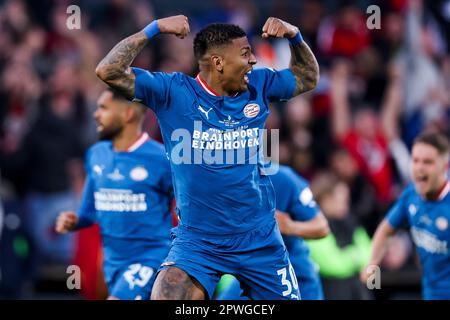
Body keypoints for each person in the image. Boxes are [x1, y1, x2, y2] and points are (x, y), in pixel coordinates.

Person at [95, 15, 319, 300]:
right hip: (198, 241)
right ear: (218, 62)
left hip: (258, 238)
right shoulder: (173, 92)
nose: (253, 61)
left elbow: (307, 77)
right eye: (245, 53)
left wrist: (295, 36)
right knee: (168, 293)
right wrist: (154, 29)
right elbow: (109, 71)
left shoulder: (259, 86)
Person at [55, 89, 174, 300]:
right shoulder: (96, 154)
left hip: (149, 257)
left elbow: (187, 206)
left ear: (127, 114)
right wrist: (75, 221)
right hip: (112, 262)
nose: (96, 114)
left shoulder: (161, 158)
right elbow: (90, 212)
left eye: (104, 108)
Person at [215, 164, 329, 300]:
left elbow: (321, 227)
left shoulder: (283, 178)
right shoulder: (219, 182)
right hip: (253, 275)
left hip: (295, 276)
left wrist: (289, 226)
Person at [361, 132, 450, 300]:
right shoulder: (411, 195)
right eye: (415, 160)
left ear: (444, 166)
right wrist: (372, 265)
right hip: (430, 293)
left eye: (428, 162)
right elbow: (385, 230)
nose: (419, 167)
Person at [309, 172, 372, 300]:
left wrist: (348, 258)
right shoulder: (310, 224)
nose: (346, 204)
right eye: (342, 200)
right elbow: (332, 264)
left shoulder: (350, 221)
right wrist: (356, 258)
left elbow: (370, 253)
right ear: (326, 200)